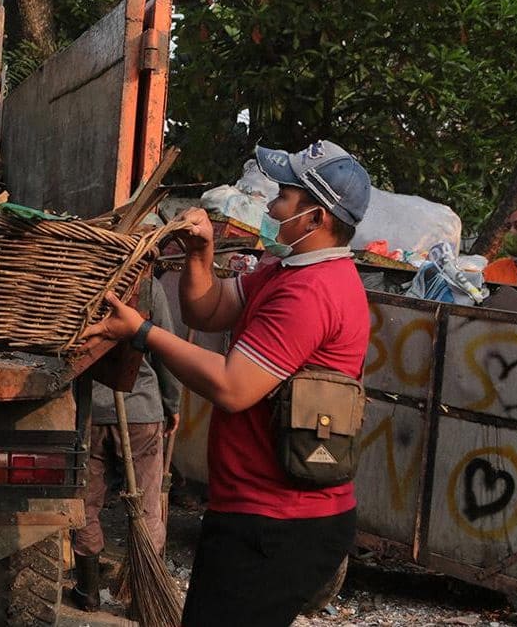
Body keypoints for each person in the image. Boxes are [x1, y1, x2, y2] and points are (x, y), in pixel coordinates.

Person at [84, 140, 372, 627]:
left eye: (283, 196)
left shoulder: (311, 292)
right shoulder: (285, 271)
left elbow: (232, 388)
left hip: (280, 522)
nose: (270, 206)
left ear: (316, 219)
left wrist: (141, 333)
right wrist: (202, 253)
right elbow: (208, 309)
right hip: (256, 511)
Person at [71, 281, 182, 612]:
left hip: (87, 410)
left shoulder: (80, 275)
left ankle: (89, 593)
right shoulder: (148, 283)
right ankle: (139, 600)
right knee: (146, 505)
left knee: (86, 504)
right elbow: (165, 347)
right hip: (141, 411)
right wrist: (171, 402)